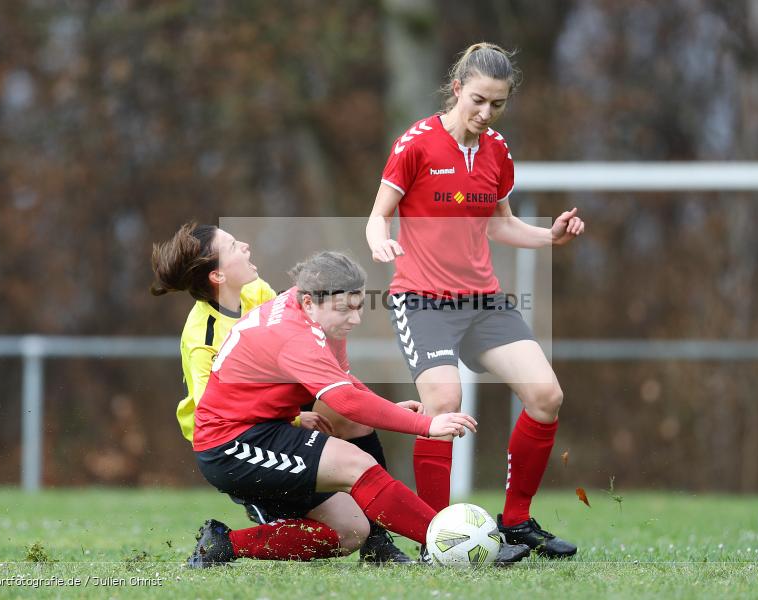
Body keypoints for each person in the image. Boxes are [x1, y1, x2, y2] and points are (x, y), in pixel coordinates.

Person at [365, 42, 585, 559]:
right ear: (457, 88)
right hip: (422, 301)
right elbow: (378, 214)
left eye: (499, 104)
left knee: (546, 396)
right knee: (444, 404)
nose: (487, 114)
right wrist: (379, 239)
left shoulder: (497, 151)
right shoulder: (415, 144)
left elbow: (500, 224)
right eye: (479, 101)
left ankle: (517, 522)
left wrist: (549, 237)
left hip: (483, 301)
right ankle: (434, 537)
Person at [188, 251, 531, 566]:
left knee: (349, 531)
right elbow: (348, 400)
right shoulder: (295, 336)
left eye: (359, 305)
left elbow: (346, 389)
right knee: (357, 462)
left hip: (269, 428)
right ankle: (449, 541)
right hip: (230, 445)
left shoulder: (316, 314)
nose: (355, 318)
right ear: (308, 301)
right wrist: (426, 426)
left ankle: (228, 544)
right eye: (345, 309)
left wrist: (386, 408)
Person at [151, 224, 411, 563]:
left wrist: (368, 402)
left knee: (347, 414)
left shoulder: (256, 291)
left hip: (278, 412)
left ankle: (378, 542)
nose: (244, 244)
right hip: (242, 436)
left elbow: (300, 342)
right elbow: (210, 410)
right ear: (217, 276)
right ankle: (232, 537)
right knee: (342, 531)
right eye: (232, 245)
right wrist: (295, 418)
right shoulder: (202, 337)